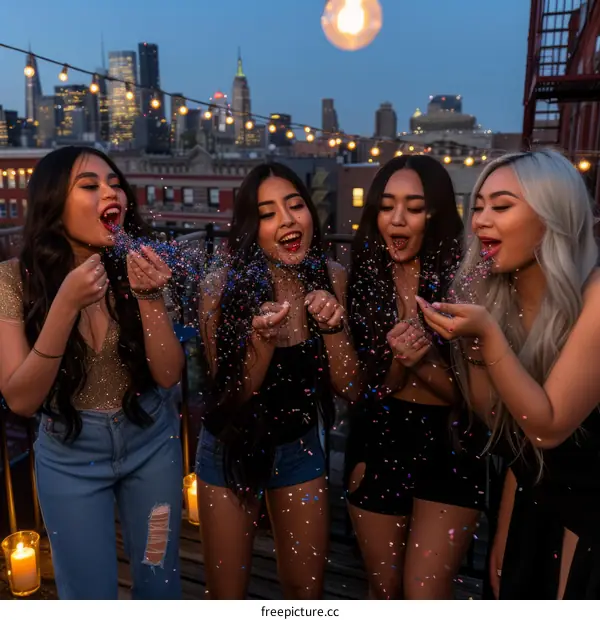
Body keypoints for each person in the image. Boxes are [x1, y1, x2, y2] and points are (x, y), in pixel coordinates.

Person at [0, 146, 184, 600]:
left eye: (115, 183)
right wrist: (64, 305)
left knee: (158, 577)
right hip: (69, 458)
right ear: (53, 206)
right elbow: (21, 401)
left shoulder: (138, 265)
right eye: (91, 185)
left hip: (152, 445)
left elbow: (167, 375)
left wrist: (150, 298)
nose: (111, 191)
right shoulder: (12, 280)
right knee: (87, 594)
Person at [417, 150, 600, 599]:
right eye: (477, 207)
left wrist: (489, 337)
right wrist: (472, 345)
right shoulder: (505, 298)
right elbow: (502, 421)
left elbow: (548, 427)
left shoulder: (596, 294)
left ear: (552, 215)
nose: (480, 221)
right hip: (536, 506)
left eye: (500, 206)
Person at [195, 162, 359, 599]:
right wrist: (261, 344)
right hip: (228, 447)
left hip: (300, 447)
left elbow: (352, 388)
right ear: (253, 227)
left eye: (295, 205)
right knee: (226, 596)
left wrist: (334, 327)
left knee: (304, 594)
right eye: (268, 213)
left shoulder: (334, 277)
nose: (287, 220)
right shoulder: (220, 285)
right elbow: (231, 396)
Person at [344, 154, 486, 599]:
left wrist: (421, 361)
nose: (398, 219)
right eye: (387, 206)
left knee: (425, 593)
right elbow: (369, 389)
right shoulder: (365, 276)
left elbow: (472, 400)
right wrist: (396, 361)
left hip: (451, 444)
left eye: (414, 206)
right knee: (383, 591)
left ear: (436, 213)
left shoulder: (466, 282)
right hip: (380, 436)